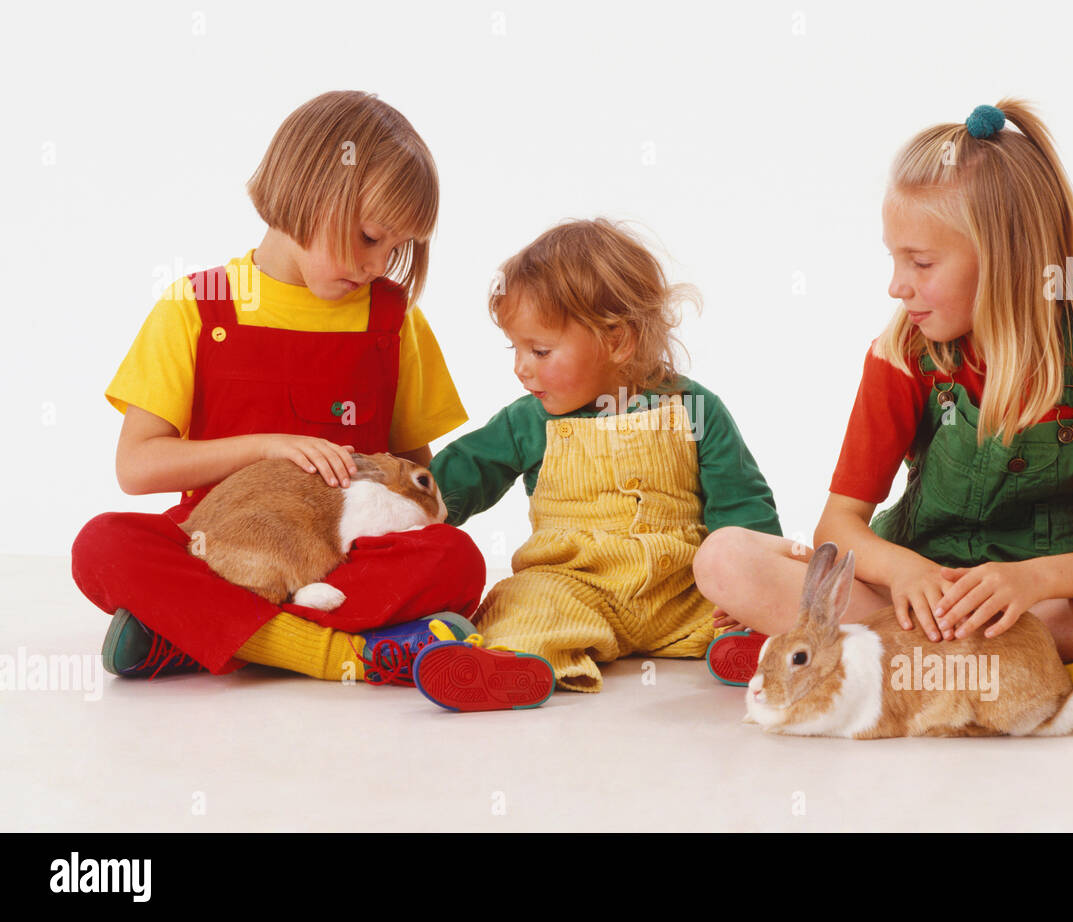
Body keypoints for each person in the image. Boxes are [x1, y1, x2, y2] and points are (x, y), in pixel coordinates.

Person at [695, 101, 1073, 729]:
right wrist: (910, 572)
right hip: (912, 609)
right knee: (723, 557)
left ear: (1008, 260)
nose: (896, 285)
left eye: (920, 262)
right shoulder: (905, 351)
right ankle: (1028, 673)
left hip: (1044, 604)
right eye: (893, 259)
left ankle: (999, 660)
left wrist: (1027, 582)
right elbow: (842, 521)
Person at [71, 90, 485, 686]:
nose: (380, 265)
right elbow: (136, 467)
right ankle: (328, 648)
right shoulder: (196, 304)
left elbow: (412, 477)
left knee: (456, 559)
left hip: (340, 563)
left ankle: (197, 635)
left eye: (398, 249)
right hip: (218, 554)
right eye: (371, 237)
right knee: (101, 546)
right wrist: (267, 446)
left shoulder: (394, 321)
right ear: (308, 192)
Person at [410, 218, 783, 711]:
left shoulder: (695, 409)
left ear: (617, 339)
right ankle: (506, 666)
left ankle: (755, 649)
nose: (521, 367)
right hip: (572, 584)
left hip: (681, 588)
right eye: (516, 348)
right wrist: (408, 511)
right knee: (522, 604)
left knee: (746, 612)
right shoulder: (529, 420)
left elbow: (741, 502)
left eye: (539, 350)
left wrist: (751, 588)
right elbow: (464, 473)